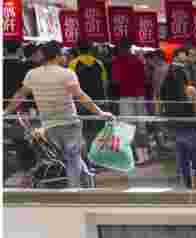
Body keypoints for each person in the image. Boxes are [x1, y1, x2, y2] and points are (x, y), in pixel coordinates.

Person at [3, 41, 112, 188]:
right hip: (69, 124)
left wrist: (5, 112)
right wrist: (100, 112)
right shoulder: (67, 74)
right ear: (57, 56)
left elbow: (19, 95)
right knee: (72, 157)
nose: (65, 57)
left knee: (69, 157)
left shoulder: (32, 74)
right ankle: (75, 191)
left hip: (48, 126)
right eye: (63, 54)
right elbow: (81, 96)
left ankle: (86, 181)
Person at [160, 61, 196, 189]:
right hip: (193, 130)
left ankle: (188, 188)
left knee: (184, 162)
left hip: (177, 132)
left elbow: (161, 111)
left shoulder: (165, 92)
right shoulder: (190, 90)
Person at [111, 39, 149, 165]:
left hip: (126, 96)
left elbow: (115, 81)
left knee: (127, 128)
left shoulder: (117, 62)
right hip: (140, 96)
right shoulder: (138, 60)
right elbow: (145, 78)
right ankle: (144, 155)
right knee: (141, 126)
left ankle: (134, 156)